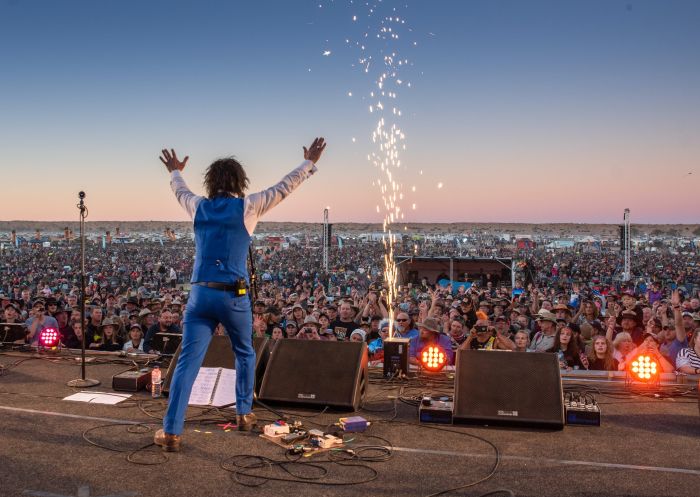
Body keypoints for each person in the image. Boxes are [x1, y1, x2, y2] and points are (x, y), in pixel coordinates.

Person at [154, 138, 326, 452]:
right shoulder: (247, 206)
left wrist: (175, 172)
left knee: (187, 364)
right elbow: (284, 187)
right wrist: (309, 163)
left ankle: (171, 432)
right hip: (233, 297)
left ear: (211, 182)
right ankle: (244, 414)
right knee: (244, 353)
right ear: (239, 181)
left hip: (199, 296)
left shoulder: (198, 206)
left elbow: (180, 191)